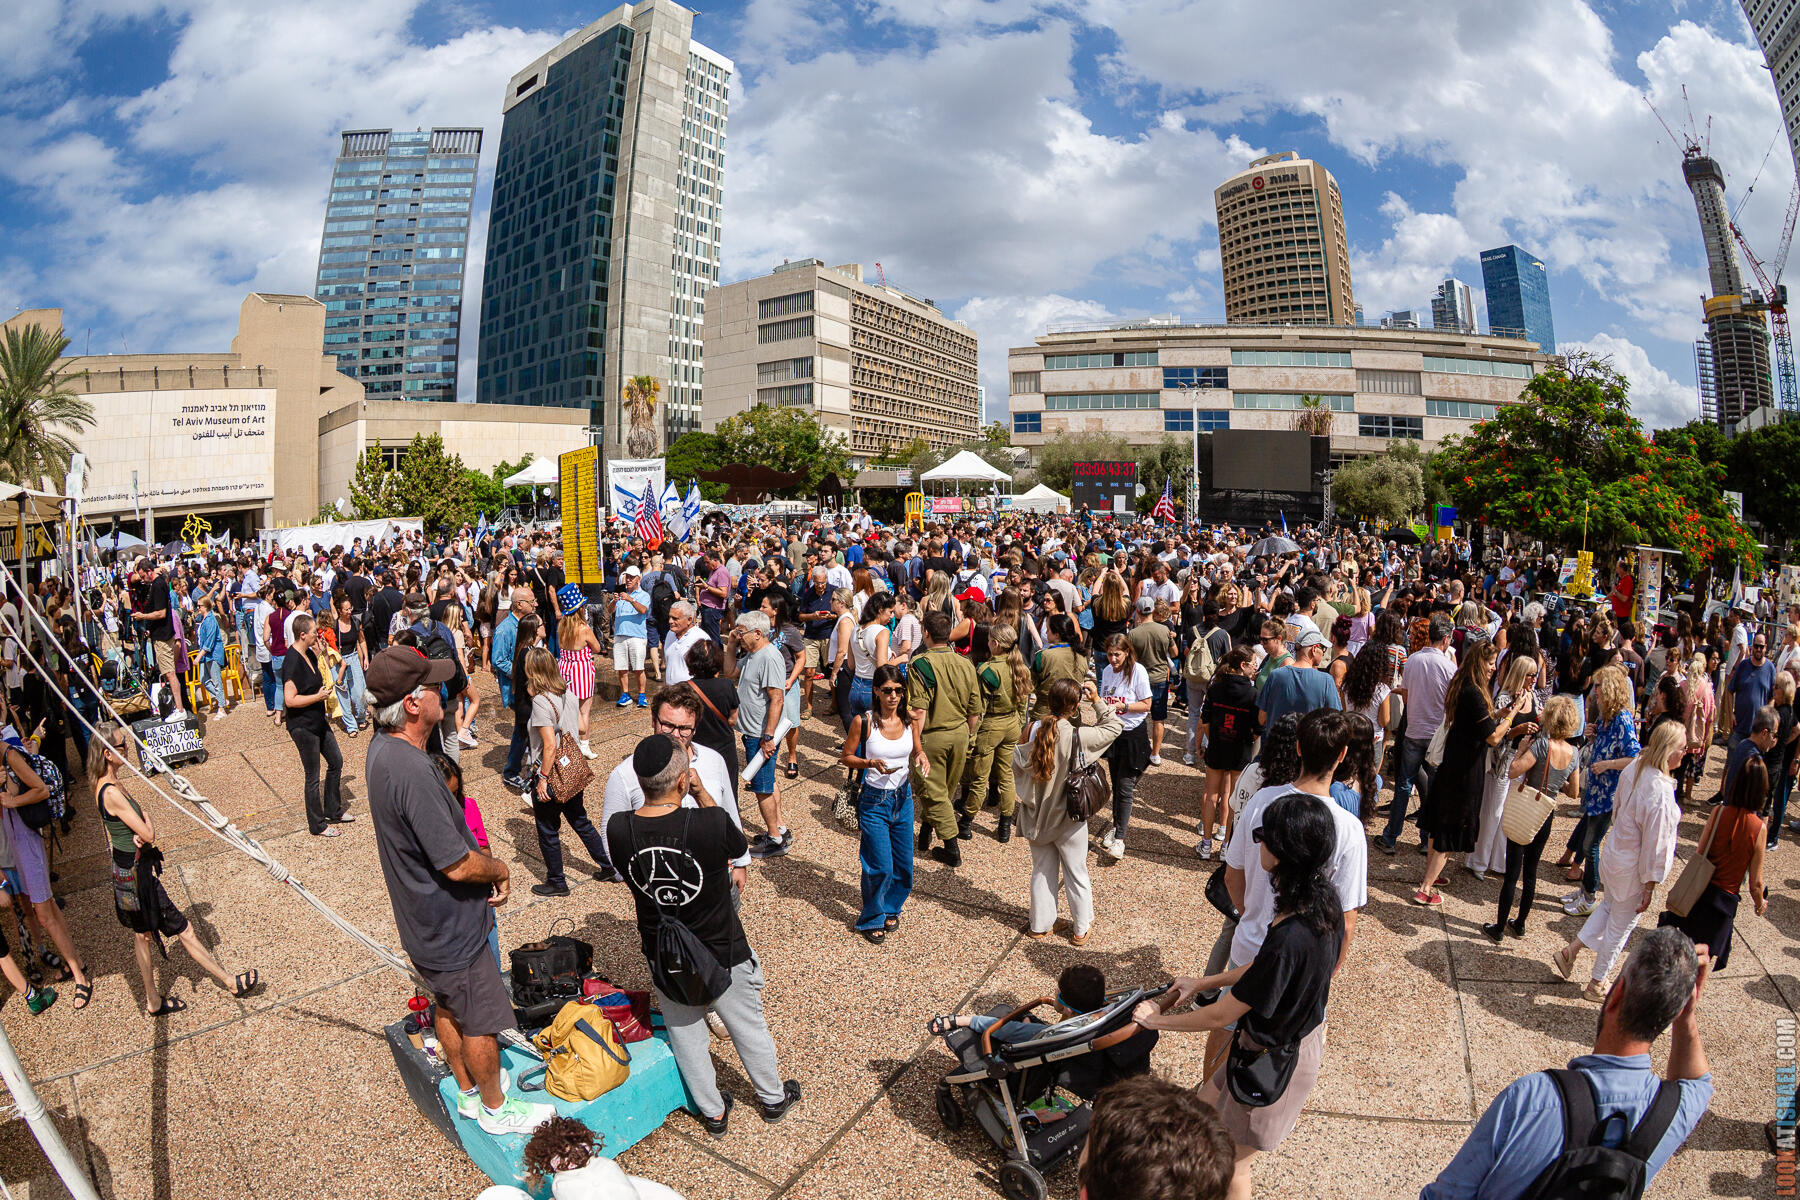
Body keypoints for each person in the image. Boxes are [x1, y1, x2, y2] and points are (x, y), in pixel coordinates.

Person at [362, 645, 547, 1136]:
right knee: (481, 1019)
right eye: (433, 685)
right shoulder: (412, 770)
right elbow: (458, 864)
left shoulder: (382, 749)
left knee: (447, 1005)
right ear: (412, 704)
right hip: (450, 925)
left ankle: (467, 1093)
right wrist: (502, 866)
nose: (445, 690)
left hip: (422, 922)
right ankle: (494, 1108)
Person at [1135, 793, 1346, 1200]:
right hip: (1274, 1046)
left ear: (1286, 851)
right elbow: (1265, 969)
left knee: (1233, 1165)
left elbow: (1223, 1016)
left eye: (1263, 836)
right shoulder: (1321, 902)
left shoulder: (1292, 933)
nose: (1257, 843)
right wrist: (1203, 983)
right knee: (1202, 1115)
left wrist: (1156, 1020)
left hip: (1274, 1060)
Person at [604, 734, 802, 1138]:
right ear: (682, 782)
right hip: (720, 946)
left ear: (640, 783)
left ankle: (712, 1111)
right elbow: (737, 842)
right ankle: (772, 1097)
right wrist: (702, 791)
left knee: (686, 1034)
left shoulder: (619, 828)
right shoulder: (707, 823)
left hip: (664, 950)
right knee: (747, 1025)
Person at [1424, 929, 1712, 1200]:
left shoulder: (1534, 1097)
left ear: (1618, 994)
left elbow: (1447, 1196)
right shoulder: (1673, 1113)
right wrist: (1686, 1014)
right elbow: (1698, 1081)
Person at [1210, 710, 1365, 1079]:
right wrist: (1328, 968)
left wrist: (1253, 913)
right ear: (1342, 755)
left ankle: (1208, 1099)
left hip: (1249, 945)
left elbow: (1233, 875)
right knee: (1281, 1054)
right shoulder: (1349, 828)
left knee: (1225, 1025)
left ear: (1297, 747)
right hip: (1303, 965)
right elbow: (1346, 919)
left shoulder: (1262, 801)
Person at [89, 722, 259, 1014]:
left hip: (125, 871)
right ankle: (229, 981)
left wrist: (141, 832)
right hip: (136, 876)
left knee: (141, 935)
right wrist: (148, 825)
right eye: (122, 745)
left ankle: (153, 1000)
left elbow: (134, 830)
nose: (127, 749)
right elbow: (148, 832)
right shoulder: (112, 791)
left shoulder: (106, 782)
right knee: (185, 929)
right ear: (107, 754)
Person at [1551, 721, 1687, 1003]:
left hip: (1615, 854)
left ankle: (1571, 952)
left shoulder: (1636, 767)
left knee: (1608, 908)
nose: (1685, 753)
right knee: (1620, 927)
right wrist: (1651, 883)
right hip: (1631, 868)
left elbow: (1620, 809)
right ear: (1669, 750)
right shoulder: (1659, 791)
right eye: (1682, 748)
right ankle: (1596, 983)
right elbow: (1656, 845)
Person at [1414, 641, 1527, 905]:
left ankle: (1432, 876)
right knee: (1450, 831)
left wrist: (1501, 712)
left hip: (1452, 767)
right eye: (1490, 664)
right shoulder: (1475, 693)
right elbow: (1493, 737)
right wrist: (1514, 716)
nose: (1493, 669)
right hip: (1465, 773)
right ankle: (1426, 888)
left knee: (1439, 827)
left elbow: (1480, 721)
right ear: (1480, 663)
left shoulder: (1462, 685)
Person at [599, 687, 744, 890]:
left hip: (716, 883)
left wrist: (741, 864)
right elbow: (610, 842)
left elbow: (730, 812)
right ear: (653, 719)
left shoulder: (714, 761)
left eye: (684, 728)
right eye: (667, 725)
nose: (675, 735)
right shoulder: (624, 773)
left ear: (695, 727)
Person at [1013, 677, 1121, 945]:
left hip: (1036, 816)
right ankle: (1081, 928)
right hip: (1068, 819)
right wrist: (1097, 700)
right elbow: (1115, 726)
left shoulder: (1032, 729)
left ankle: (1039, 925)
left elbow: (1016, 762)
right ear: (1074, 707)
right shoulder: (1077, 736)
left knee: (1041, 870)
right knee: (1076, 871)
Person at [1486, 695, 1582, 942]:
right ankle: (1520, 924)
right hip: (1545, 814)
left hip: (1525, 810)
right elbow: (1574, 792)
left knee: (1512, 873)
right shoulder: (1575, 753)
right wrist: (1554, 785)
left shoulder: (1541, 745)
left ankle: (1498, 927)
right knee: (1531, 872)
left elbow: (1514, 771)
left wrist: (1519, 752)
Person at [1660, 751, 1766, 971]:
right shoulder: (1759, 828)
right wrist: (1760, 904)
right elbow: (1756, 883)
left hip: (1700, 894)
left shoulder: (1718, 812)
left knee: (1686, 953)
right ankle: (1688, 1002)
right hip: (1723, 904)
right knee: (1702, 963)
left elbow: (1700, 852)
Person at [521, 646, 614, 897]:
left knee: (548, 829)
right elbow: (582, 728)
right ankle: (608, 866)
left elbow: (549, 745)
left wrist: (541, 778)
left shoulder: (541, 701)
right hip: (572, 769)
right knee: (581, 821)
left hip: (551, 772)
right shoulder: (568, 693)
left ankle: (557, 881)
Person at [841, 663, 915, 943]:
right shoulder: (864, 721)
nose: (894, 696)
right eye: (887, 691)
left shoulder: (909, 720)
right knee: (879, 864)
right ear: (876, 691)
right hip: (874, 801)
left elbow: (916, 748)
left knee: (904, 864)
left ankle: (890, 907)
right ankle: (870, 918)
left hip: (903, 798)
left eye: (898, 690)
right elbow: (846, 757)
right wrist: (869, 762)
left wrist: (921, 757)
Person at [1561, 667, 1642, 917]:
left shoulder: (1622, 719)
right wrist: (1592, 734)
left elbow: (1633, 756)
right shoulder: (1606, 717)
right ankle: (1585, 891)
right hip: (1596, 792)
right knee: (1587, 841)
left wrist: (1607, 765)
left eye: (1598, 686)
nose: (1594, 691)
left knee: (1591, 845)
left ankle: (1589, 896)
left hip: (1608, 795)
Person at [1378, 613, 1456, 855]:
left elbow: (1408, 695)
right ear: (1444, 639)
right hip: (1435, 733)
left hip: (1414, 729)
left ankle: (1391, 836)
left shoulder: (1412, 660)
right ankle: (1425, 839)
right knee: (1431, 789)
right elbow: (1449, 704)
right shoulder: (1448, 667)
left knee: (1404, 784)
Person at [908, 609, 981, 866]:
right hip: (960, 734)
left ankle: (951, 847)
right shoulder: (965, 662)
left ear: (926, 633)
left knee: (933, 792)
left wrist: (917, 747)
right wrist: (970, 737)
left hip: (934, 736)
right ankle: (925, 834)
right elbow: (975, 709)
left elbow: (918, 710)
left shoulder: (920, 664)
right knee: (944, 790)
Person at [1466, 652, 1541, 880]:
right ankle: (1478, 861)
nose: (1534, 679)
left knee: (1508, 814)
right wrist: (1516, 731)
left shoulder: (1533, 697)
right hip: (1502, 763)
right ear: (1521, 674)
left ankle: (1499, 862)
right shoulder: (1504, 699)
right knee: (1492, 813)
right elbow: (1494, 736)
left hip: (1521, 763)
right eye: (1530, 675)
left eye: (1536, 675)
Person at [957, 623, 1027, 844]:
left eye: (989, 640)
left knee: (980, 779)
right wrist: (1020, 723)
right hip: (1012, 724)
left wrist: (971, 736)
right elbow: (1023, 703)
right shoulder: (1020, 666)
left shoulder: (986, 670)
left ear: (995, 644)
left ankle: (967, 822)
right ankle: (1004, 826)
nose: (987, 643)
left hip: (992, 726)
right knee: (1006, 775)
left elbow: (979, 708)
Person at [731, 612, 793, 859]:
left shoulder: (768, 657)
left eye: (741, 631)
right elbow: (729, 671)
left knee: (762, 787)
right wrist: (731, 645)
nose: (738, 635)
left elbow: (777, 698)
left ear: (758, 633)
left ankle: (774, 839)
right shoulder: (752, 655)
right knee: (769, 782)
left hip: (760, 734)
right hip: (754, 732)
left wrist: (768, 738)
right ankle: (779, 827)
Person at [283, 614, 350, 837]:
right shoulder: (291, 661)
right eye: (313, 632)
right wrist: (317, 697)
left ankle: (333, 810)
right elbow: (290, 700)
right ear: (303, 635)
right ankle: (317, 824)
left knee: (336, 761)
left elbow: (315, 672)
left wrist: (320, 651)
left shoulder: (308, 654)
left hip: (317, 719)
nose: (317, 634)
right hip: (302, 726)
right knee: (312, 775)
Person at [1199, 647, 1260, 860]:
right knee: (1234, 798)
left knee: (1211, 795)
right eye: (1254, 664)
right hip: (1240, 749)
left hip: (1217, 746)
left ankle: (1206, 844)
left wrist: (1212, 737)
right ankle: (1227, 846)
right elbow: (1257, 727)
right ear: (1243, 666)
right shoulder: (1253, 694)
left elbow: (1204, 719)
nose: (1255, 668)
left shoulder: (1216, 688)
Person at [1257, 629, 1341, 733]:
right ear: (1314, 649)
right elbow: (1335, 719)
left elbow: (1262, 718)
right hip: (1308, 746)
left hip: (1276, 745)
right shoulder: (1326, 681)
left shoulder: (1275, 675)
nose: (1324, 653)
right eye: (1323, 648)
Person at [555, 585, 602, 759]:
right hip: (581, 668)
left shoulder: (561, 626)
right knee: (584, 711)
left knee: (568, 709)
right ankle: (584, 745)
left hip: (565, 667)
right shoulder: (584, 629)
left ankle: (568, 743)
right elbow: (597, 648)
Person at [1127, 597, 1174, 765]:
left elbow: (1130, 659)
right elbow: (1174, 653)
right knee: (1158, 719)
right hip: (1160, 677)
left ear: (1138, 611)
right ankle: (1155, 753)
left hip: (1140, 679)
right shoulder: (1164, 630)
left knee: (1136, 715)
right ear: (1153, 611)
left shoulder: (1133, 634)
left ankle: (1137, 749)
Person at [611, 566, 651, 709]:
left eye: (631, 577)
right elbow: (609, 611)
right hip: (620, 635)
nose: (628, 580)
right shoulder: (620, 594)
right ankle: (625, 694)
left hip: (637, 635)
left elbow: (643, 610)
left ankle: (641, 694)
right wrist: (615, 601)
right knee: (621, 668)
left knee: (638, 668)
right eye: (627, 577)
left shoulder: (644, 595)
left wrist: (630, 599)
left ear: (638, 580)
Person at [661, 601, 707, 688]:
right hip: (671, 692)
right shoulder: (670, 634)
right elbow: (669, 665)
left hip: (690, 694)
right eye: (670, 617)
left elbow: (709, 671)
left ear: (689, 620)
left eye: (675, 618)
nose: (670, 621)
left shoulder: (700, 638)